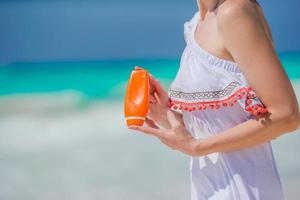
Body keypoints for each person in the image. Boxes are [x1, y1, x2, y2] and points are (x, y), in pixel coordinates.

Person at [128, 0, 300, 199]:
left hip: (244, 190)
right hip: (209, 190)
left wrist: (196, 147)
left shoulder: (234, 11)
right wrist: (167, 115)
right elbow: (224, 126)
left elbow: (287, 115)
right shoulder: (199, 21)